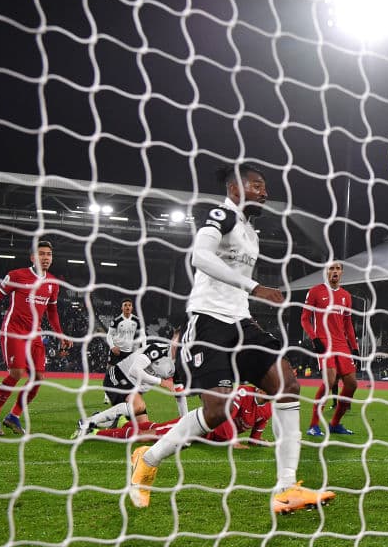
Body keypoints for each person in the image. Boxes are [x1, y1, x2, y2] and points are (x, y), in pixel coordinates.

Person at [127, 163, 334, 514]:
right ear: (235, 188)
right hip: (209, 323)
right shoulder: (221, 215)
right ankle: (147, 460)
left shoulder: (251, 233)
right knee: (218, 411)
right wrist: (254, 287)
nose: (264, 193)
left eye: (264, 187)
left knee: (287, 385)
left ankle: (286, 488)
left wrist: (247, 297)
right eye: (257, 186)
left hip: (242, 322)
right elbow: (200, 256)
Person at [0, 240, 72, 435]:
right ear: (32, 257)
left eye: (48, 254)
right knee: (17, 373)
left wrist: (60, 334)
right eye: (41, 254)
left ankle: (13, 416)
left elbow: (52, 313)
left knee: (38, 378)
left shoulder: (53, 283)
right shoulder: (16, 275)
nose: (46, 258)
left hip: (35, 334)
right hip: (14, 331)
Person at [98, 384, 271, 450]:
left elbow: (256, 434)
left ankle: (124, 424)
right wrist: (233, 442)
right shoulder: (243, 392)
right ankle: (96, 433)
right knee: (149, 437)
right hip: (200, 425)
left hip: (210, 437)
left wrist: (258, 441)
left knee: (156, 428)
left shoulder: (268, 409)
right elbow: (225, 414)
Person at [72, 333, 175, 438]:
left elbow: (179, 394)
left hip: (133, 390)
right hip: (117, 377)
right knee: (138, 406)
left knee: (144, 426)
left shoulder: (180, 364)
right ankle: (88, 422)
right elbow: (134, 370)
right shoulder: (158, 349)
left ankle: (111, 421)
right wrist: (161, 382)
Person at [301, 260, 360, 437]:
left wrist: (354, 348)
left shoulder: (346, 296)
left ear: (341, 272)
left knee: (352, 384)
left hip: (342, 344)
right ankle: (313, 425)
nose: (334, 271)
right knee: (330, 382)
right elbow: (304, 319)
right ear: (326, 272)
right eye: (331, 269)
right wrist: (314, 338)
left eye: (337, 269)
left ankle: (334, 424)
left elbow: (348, 324)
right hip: (324, 341)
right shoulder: (315, 291)